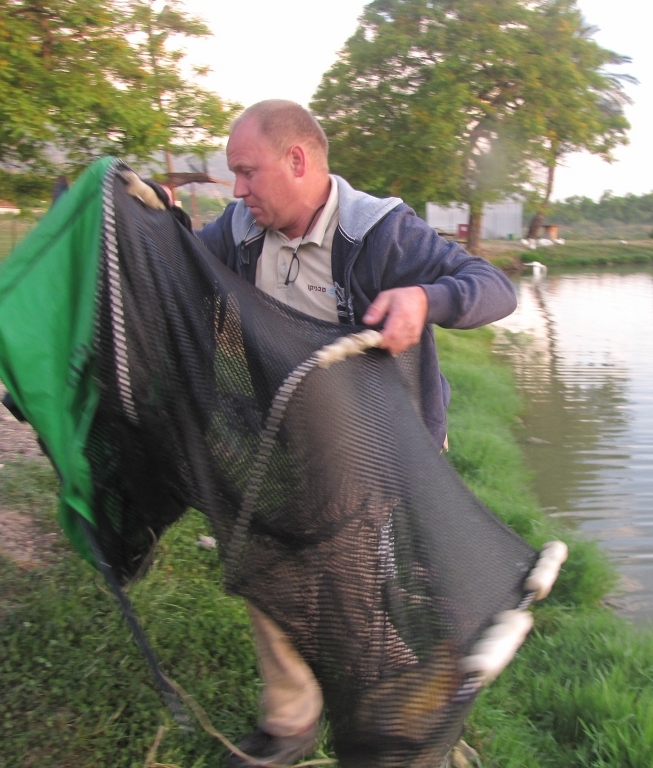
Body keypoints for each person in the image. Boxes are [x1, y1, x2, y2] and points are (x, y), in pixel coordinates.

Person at [197, 100, 518, 767]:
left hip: (386, 452)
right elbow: (174, 275)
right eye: (233, 175)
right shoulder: (236, 231)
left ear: (298, 160)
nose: (237, 190)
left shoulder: (382, 232)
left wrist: (425, 300)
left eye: (247, 172)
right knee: (269, 572)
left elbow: (492, 287)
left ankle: (420, 739)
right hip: (285, 441)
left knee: (376, 606)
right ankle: (289, 726)